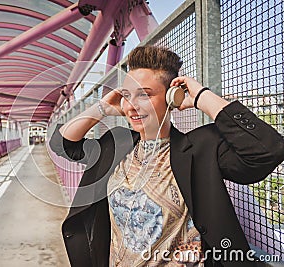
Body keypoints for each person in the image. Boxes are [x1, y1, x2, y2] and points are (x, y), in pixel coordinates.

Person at [49, 46, 284, 267]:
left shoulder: (200, 148)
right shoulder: (115, 143)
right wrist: (102, 107)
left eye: (145, 95)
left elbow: (267, 151)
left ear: (172, 97)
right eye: (127, 95)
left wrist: (201, 96)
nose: (132, 106)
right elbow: (62, 144)